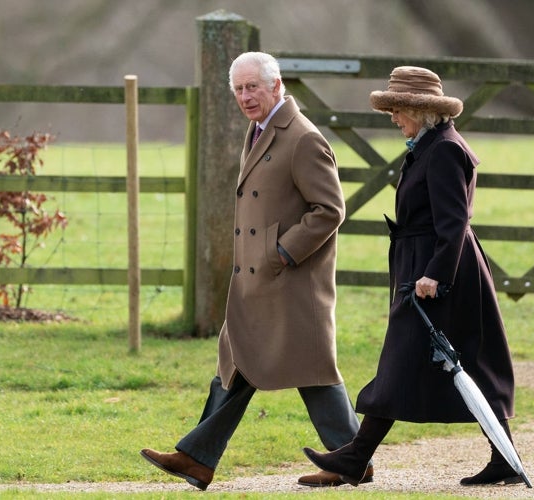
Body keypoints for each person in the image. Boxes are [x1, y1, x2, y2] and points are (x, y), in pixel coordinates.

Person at [140, 51, 373, 490]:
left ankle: (349, 458)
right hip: (258, 282)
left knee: (312, 369)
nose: (246, 96)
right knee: (237, 362)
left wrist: (282, 252)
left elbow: (330, 209)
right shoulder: (260, 129)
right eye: (239, 89)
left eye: (253, 87)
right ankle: (198, 458)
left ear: (276, 86)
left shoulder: (302, 137)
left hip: (289, 281)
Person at [302, 66, 525, 487]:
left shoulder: (443, 151)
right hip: (428, 266)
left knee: (419, 360)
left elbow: (454, 221)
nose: (392, 118)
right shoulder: (430, 145)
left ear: (419, 111)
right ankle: (504, 459)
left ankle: (356, 457)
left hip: (439, 273)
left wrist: (434, 276)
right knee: (433, 361)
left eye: (397, 109)